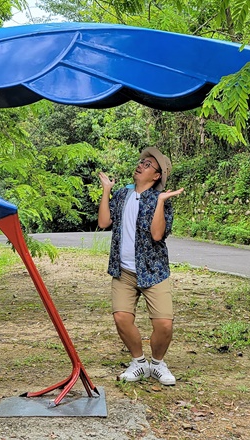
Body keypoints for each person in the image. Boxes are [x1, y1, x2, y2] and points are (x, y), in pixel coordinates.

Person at [98, 146, 184, 386]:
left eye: (148, 165)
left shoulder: (161, 200)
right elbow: (104, 221)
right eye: (142, 161)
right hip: (123, 271)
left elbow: (157, 235)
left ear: (156, 176)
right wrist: (107, 191)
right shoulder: (123, 195)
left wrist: (160, 202)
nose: (141, 165)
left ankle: (157, 364)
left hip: (153, 271)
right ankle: (138, 362)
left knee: (164, 324)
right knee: (121, 319)